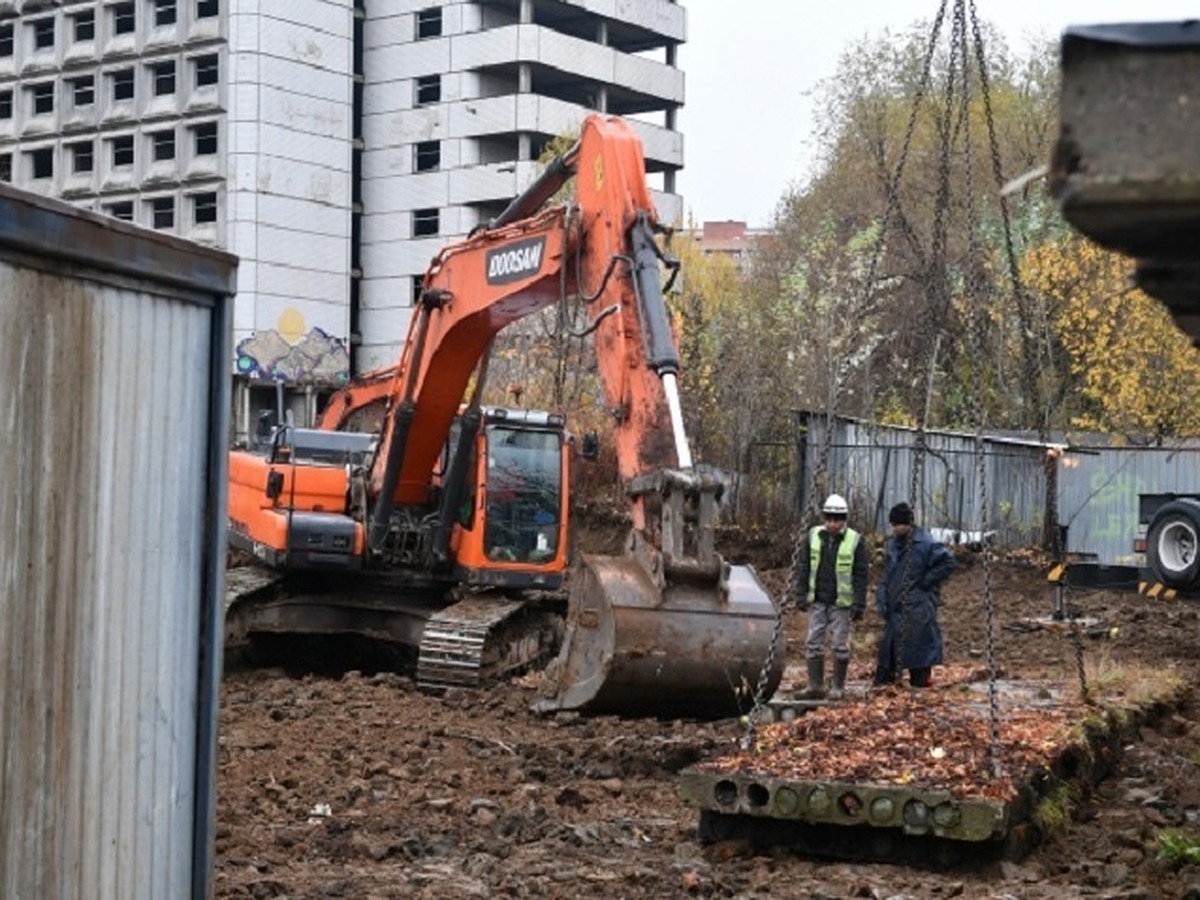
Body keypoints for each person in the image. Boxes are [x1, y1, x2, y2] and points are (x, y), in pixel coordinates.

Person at [793, 493, 869, 700]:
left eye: (836, 520)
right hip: (818, 599)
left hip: (841, 602)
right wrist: (800, 594)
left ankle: (837, 686)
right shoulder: (813, 536)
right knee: (814, 641)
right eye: (829, 519)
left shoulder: (855, 540)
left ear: (844, 520)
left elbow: (861, 574)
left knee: (840, 644)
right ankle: (815, 684)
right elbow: (804, 567)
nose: (832, 524)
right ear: (824, 518)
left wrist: (859, 604)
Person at [874, 501, 956, 688]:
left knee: (919, 652)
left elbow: (948, 562)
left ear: (908, 524)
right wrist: (882, 596)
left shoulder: (926, 543)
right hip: (896, 605)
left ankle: (920, 684)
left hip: (918, 605)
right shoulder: (894, 545)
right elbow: (887, 573)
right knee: (889, 653)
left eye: (898, 525)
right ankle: (886, 684)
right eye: (893, 525)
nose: (895, 529)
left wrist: (926, 581)